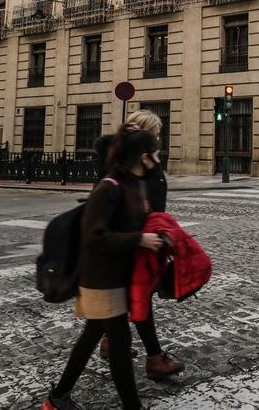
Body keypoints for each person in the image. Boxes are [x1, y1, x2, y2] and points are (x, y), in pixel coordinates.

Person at [44, 124, 163, 410]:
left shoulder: (134, 184)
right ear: (143, 156)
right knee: (119, 348)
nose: (160, 157)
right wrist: (140, 239)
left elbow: (150, 200)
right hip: (100, 278)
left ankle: (57, 397)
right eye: (155, 152)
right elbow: (94, 236)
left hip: (118, 276)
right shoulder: (108, 188)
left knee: (91, 338)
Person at [91, 111, 182, 380]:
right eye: (155, 133)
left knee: (129, 299)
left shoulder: (138, 161)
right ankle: (153, 357)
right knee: (139, 298)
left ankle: (110, 342)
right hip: (132, 242)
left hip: (139, 239)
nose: (158, 138)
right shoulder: (130, 165)